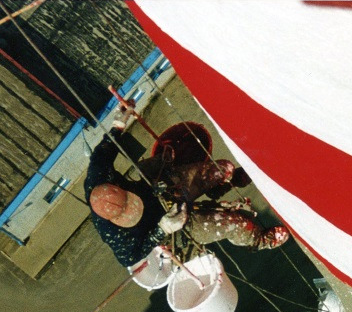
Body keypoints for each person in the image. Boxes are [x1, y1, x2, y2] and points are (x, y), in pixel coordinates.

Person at [85, 110, 288, 270]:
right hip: (174, 224)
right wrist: (161, 230)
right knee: (234, 224)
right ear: (116, 219)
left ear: (115, 187)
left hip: (160, 188)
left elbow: (102, 154)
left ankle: (221, 187)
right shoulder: (115, 236)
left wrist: (118, 124)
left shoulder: (98, 178)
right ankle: (261, 240)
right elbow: (129, 258)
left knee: (223, 169)